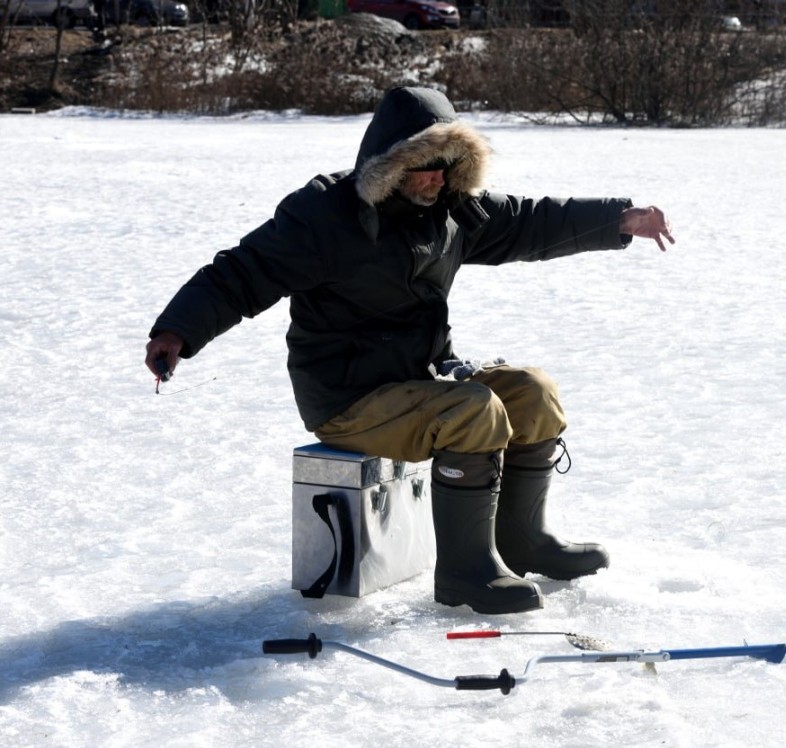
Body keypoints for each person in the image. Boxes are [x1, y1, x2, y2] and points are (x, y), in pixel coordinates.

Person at [145, 86, 674, 615]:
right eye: (426, 166)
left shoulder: (450, 212)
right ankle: (465, 574)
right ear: (392, 162)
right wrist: (178, 331)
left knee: (532, 394)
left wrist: (619, 220)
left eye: (448, 167)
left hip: (422, 381)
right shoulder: (326, 217)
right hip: (348, 398)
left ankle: (521, 543)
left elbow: (529, 220)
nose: (438, 179)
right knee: (474, 410)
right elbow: (241, 273)